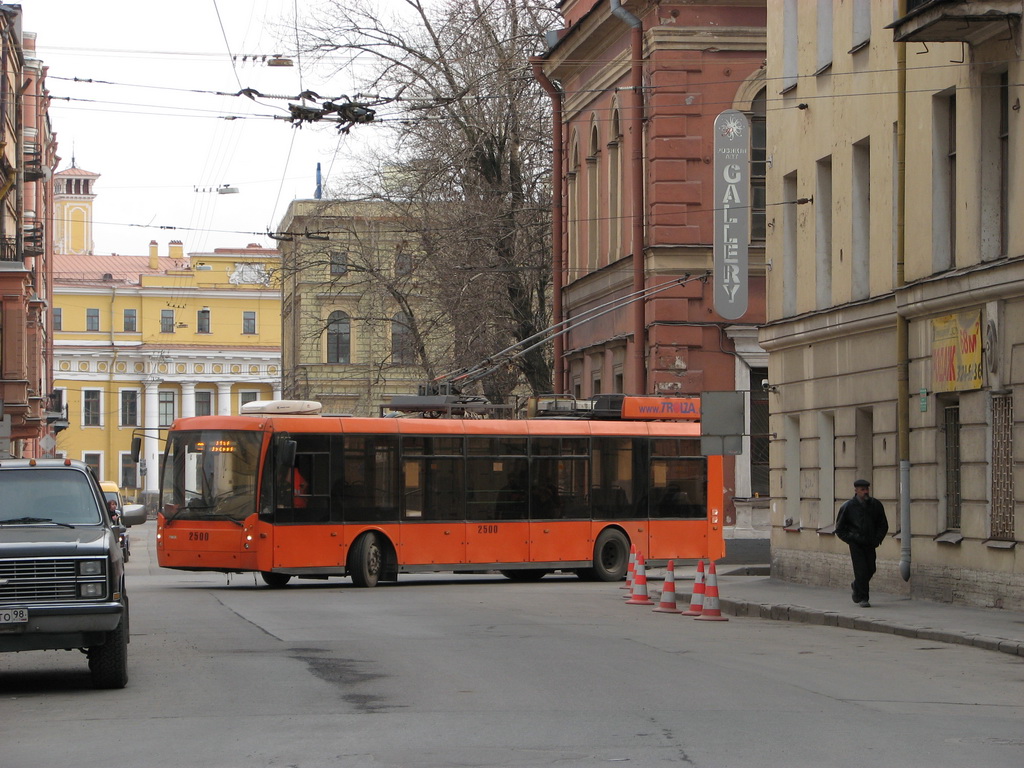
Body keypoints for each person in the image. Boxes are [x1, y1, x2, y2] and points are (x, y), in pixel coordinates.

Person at [835, 479, 888, 607]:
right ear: (856, 491)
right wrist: (852, 539)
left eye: (867, 489)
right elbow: (840, 529)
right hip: (856, 544)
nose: (865, 492)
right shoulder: (848, 506)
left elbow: (883, 525)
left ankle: (856, 585)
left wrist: (877, 539)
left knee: (871, 568)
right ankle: (864, 597)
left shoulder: (875, 505)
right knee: (861, 571)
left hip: (870, 543)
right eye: (862, 490)